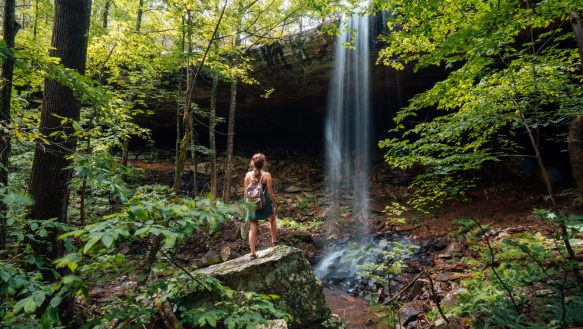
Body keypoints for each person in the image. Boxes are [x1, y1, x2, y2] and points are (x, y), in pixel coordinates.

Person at [243, 153, 278, 259]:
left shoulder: (248, 175)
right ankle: (274, 242)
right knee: (271, 219)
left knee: (253, 227)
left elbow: (245, 192)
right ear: (263, 163)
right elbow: (271, 192)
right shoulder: (267, 175)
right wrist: (274, 203)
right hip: (264, 202)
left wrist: (247, 205)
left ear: (252, 163)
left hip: (251, 203)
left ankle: (252, 253)